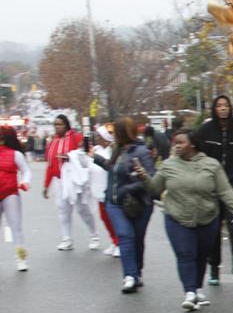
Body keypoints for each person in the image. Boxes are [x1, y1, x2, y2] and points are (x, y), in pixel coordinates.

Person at [135, 130, 233, 311]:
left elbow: (225, 191)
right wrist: (144, 178)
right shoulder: (168, 165)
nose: (176, 146)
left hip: (207, 218)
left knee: (201, 255)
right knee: (185, 254)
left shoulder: (211, 165)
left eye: (181, 142)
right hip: (177, 217)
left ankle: (196, 288)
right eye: (175, 143)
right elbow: (155, 188)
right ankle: (189, 292)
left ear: (193, 144)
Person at [192, 95, 233, 293]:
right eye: (219, 106)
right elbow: (197, 159)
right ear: (214, 108)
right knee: (213, 233)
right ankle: (214, 267)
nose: (223, 109)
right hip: (211, 189)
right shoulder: (205, 131)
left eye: (226, 105)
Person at [90, 117, 156, 293]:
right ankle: (129, 276)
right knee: (125, 236)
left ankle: (137, 272)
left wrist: (128, 189)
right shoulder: (116, 150)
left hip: (139, 203)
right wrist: (94, 157)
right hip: (115, 203)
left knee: (137, 240)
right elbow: (111, 168)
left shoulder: (141, 151)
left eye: (115, 132)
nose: (112, 135)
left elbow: (151, 177)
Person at [43, 114, 100, 251]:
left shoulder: (75, 136)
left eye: (60, 124)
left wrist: (70, 157)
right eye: (56, 124)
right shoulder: (52, 142)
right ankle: (66, 239)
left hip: (74, 179)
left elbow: (85, 152)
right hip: (59, 180)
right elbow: (50, 165)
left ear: (66, 124)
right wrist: (46, 185)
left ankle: (94, 235)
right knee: (63, 210)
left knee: (82, 209)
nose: (58, 127)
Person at [0, 126, 31, 271]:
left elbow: (26, 171)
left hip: (10, 194)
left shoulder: (15, 154)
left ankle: (21, 259)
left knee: (15, 228)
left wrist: (25, 182)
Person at [89, 125, 120, 257]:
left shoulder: (112, 150)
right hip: (97, 189)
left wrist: (94, 156)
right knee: (104, 217)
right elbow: (85, 164)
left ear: (106, 139)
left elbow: (110, 166)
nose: (97, 138)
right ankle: (114, 241)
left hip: (108, 189)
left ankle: (119, 243)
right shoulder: (95, 149)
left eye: (99, 136)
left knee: (112, 218)